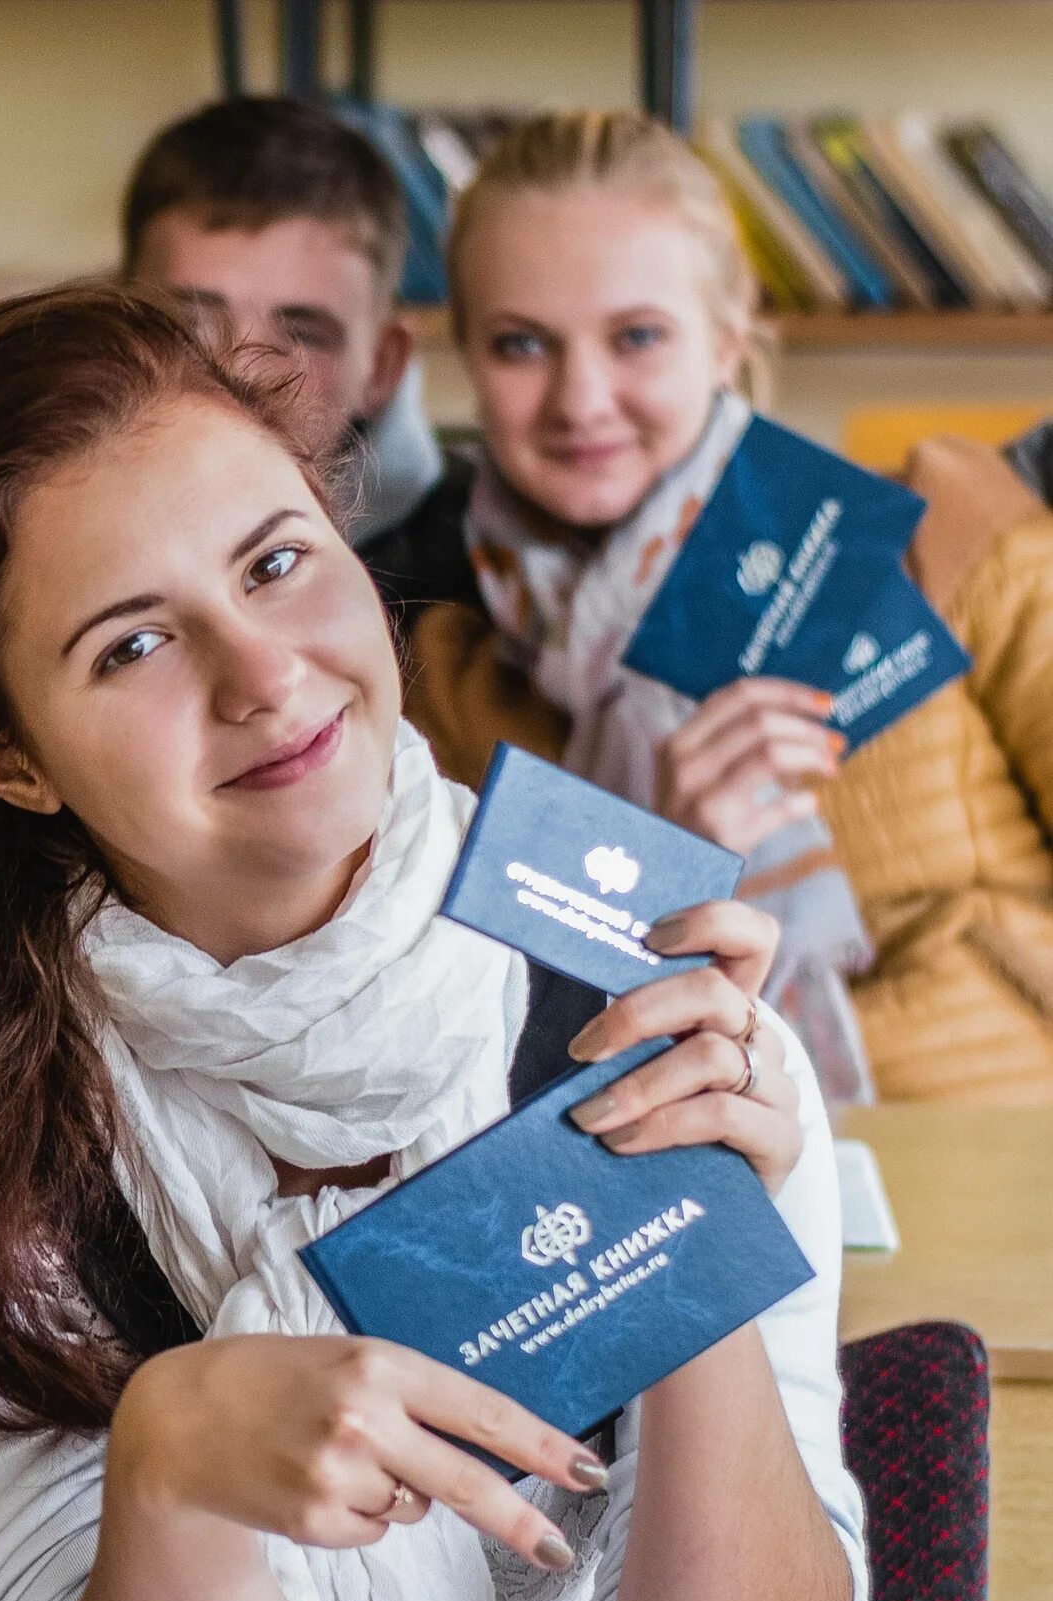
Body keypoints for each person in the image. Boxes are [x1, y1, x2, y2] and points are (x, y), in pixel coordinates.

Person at [0, 283, 866, 1601]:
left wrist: (694, 1249)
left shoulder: (644, 979)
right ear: (8, 753)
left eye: (279, 564)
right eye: (132, 645)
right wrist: (170, 1470)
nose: (265, 672)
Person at [404, 109, 1053, 1102]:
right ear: (468, 359)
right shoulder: (440, 685)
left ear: (729, 332)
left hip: (1003, 1152)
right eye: (522, 344)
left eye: (637, 336)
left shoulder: (934, 531)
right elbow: (486, 1068)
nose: (581, 399)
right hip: (693, 1198)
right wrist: (659, 857)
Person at [117, 95, 466, 614]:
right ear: (114, 329)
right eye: (193, 323)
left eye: (304, 334)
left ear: (382, 368)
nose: (241, 371)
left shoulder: (468, 586)